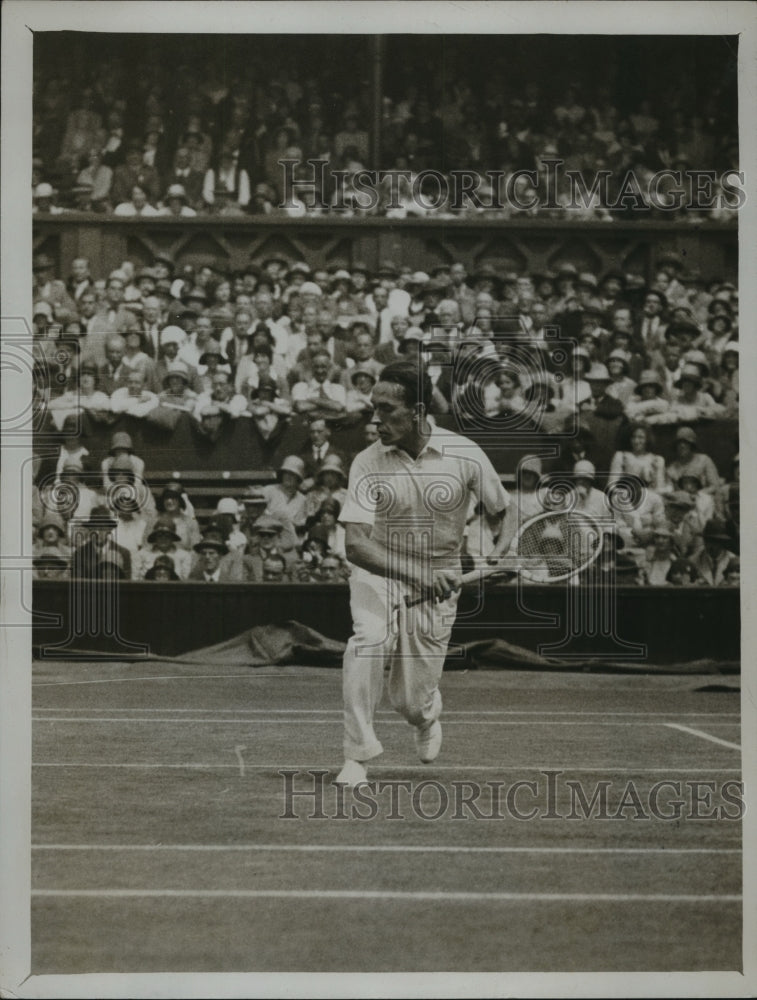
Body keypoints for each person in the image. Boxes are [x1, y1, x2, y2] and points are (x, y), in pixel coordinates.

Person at [335, 360, 515, 787]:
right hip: (377, 571)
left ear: (418, 410)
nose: (375, 419)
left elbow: (503, 512)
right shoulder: (366, 460)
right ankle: (356, 756)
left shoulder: (465, 454)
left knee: (409, 700)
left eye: (387, 410)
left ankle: (426, 716)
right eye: (372, 408)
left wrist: (500, 548)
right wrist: (416, 574)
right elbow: (356, 544)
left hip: (440, 578)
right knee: (367, 640)